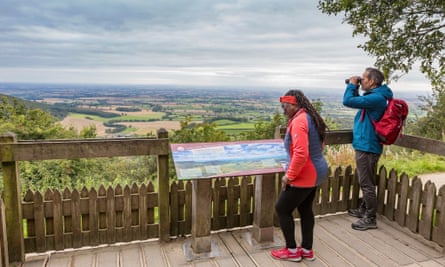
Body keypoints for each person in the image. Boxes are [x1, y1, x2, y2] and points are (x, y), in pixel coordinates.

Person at [271, 89, 329, 262]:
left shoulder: (299, 121)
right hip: (318, 171)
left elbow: (301, 153)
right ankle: (307, 250)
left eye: (285, 106)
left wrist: (289, 175)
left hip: (305, 174)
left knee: (282, 208)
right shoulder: (312, 118)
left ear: (294, 104)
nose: (283, 109)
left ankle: (292, 251)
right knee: (305, 209)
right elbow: (319, 145)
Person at [343, 67, 393, 230]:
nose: (361, 80)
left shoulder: (377, 98)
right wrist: (356, 87)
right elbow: (358, 101)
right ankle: (364, 210)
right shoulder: (376, 97)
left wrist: (351, 85)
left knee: (366, 183)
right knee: (366, 180)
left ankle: (370, 218)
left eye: (363, 78)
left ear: (372, 81)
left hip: (368, 146)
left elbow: (348, 101)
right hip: (367, 144)